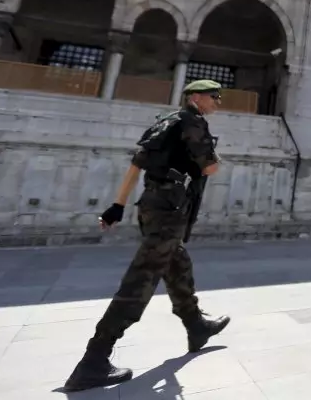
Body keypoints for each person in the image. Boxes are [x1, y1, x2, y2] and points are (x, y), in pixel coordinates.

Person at [63, 80, 230, 392]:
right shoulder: (193, 123)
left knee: (177, 263)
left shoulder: (165, 122)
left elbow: (136, 165)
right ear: (195, 98)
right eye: (214, 97)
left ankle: (195, 324)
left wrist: (117, 205)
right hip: (170, 210)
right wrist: (214, 158)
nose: (218, 102)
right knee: (141, 279)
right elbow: (209, 168)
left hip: (151, 206)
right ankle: (94, 359)